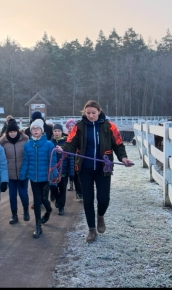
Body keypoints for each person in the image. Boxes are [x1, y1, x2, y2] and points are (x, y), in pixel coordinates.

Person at [57, 100, 133, 243]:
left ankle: (101, 215)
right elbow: (70, 143)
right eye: (88, 113)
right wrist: (64, 149)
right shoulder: (79, 127)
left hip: (103, 168)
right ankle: (91, 229)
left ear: (99, 111)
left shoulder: (109, 126)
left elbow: (118, 144)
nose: (91, 115)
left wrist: (123, 158)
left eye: (93, 113)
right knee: (88, 199)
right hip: (85, 169)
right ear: (84, 113)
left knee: (104, 199)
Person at [19, 119, 57, 238]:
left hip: (45, 178)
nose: (35, 131)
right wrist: (22, 176)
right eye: (33, 129)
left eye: (38, 129)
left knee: (44, 199)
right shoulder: (28, 145)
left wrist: (54, 175)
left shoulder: (49, 145)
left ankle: (49, 210)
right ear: (31, 131)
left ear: (42, 131)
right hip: (33, 178)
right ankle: (38, 226)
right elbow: (26, 162)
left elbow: (53, 161)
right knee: (36, 201)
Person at [0, 119, 30, 224]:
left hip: (23, 174)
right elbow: (0, 159)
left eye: (14, 131)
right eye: (10, 132)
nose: (12, 134)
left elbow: (28, 157)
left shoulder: (25, 141)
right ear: (7, 132)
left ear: (17, 131)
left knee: (23, 194)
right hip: (10, 174)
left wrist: (26, 172)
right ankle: (14, 215)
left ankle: (26, 211)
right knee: (12, 195)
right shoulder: (3, 143)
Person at [49, 124, 74, 216]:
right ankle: (58, 199)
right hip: (53, 170)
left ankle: (61, 207)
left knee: (62, 188)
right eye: (55, 131)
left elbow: (71, 158)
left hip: (63, 170)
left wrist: (71, 172)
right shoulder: (50, 143)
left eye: (58, 131)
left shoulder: (67, 142)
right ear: (53, 132)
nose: (57, 133)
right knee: (53, 187)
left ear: (61, 132)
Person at [65, 118, 83, 200]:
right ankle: (76, 189)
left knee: (78, 175)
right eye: (69, 126)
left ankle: (80, 192)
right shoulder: (65, 136)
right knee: (72, 173)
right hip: (69, 157)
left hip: (78, 157)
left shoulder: (78, 135)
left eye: (72, 125)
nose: (71, 127)